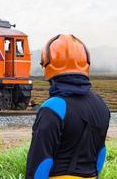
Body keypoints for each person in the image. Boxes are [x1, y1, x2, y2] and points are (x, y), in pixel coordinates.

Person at [26, 34, 110, 179]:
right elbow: (101, 154)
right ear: (86, 64)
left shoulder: (53, 108)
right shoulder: (101, 105)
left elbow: (40, 162)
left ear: (47, 65)